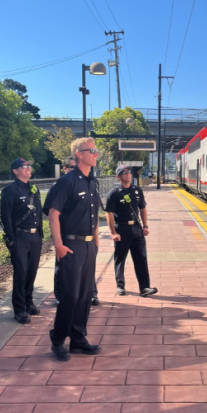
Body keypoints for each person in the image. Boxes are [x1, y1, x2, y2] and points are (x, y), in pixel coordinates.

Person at [46, 137, 101, 361]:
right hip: (70, 246)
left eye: (96, 150)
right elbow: (53, 213)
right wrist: (58, 244)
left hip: (88, 245)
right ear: (79, 154)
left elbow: (94, 214)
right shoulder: (67, 181)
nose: (96, 153)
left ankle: (78, 338)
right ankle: (58, 340)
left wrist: (96, 241)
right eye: (92, 150)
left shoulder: (92, 181)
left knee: (86, 295)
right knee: (69, 295)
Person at [1, 158, 43, 324]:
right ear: (15, 171)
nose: (27, 168)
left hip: (34, 236)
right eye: (23, 166)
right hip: (20, 236)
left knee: (31, 272)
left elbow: (38, 212)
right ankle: (19, 309)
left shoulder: (33, 188)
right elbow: (6, 216)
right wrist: (11, 239)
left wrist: (40, 233)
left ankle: (28, 302)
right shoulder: (10, 190)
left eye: (28, 166)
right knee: (21, 273)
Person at [105, 165, 157, 297]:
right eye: (124, 173)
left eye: (129, 172)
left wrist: (145, 226)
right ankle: (120, 285)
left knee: (141, 258)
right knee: (120, 258)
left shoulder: (137, 190)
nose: (128, 174)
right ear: (118, 177)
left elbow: (142, 208)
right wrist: (113, 233)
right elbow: (109, 214)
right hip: (121, 228)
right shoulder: (114, 193)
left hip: (136, 228)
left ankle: (144, 287)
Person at [45, 156, 76, 305]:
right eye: (70, 167)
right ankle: (59, 295)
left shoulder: (82, 183)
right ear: (64, 169)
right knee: (62, 264)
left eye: (76, 167)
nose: (73, 170)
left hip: (79, 232)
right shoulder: (58, 185)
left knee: (82, 265)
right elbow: (48, 210)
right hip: (63, 230)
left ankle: (91, 293)